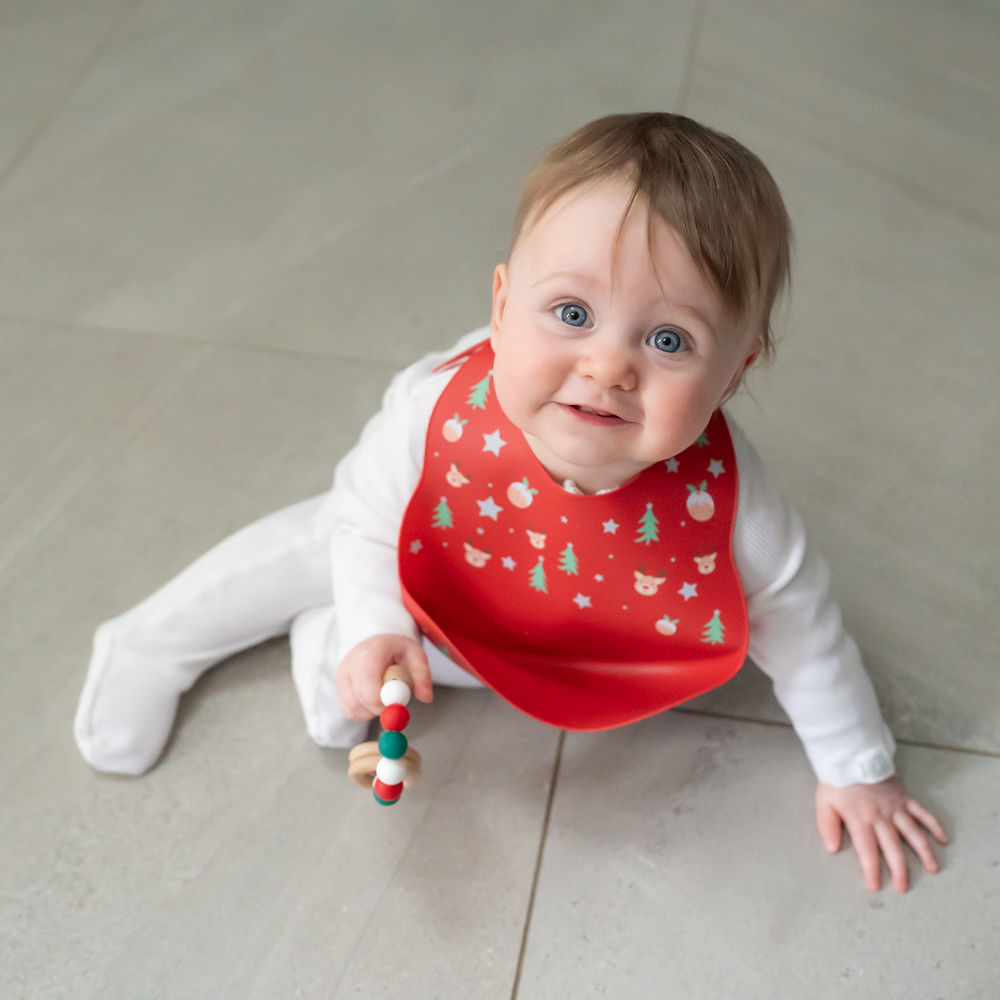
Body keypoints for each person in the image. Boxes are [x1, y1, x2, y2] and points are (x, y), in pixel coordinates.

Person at [74, 112, 948, 891]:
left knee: (378, 683)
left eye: (668, 339)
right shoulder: (437, 409)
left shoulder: (731, 506)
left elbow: (801, 624)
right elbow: (364, 524)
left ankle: (327, 647)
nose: (607, 366)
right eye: (570, 313)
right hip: (423, 532)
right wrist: (377, 617)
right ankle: (154, 641)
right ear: (501, 308)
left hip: (516, 611)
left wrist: (857, 768)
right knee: (312, 549)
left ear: (735, 371)